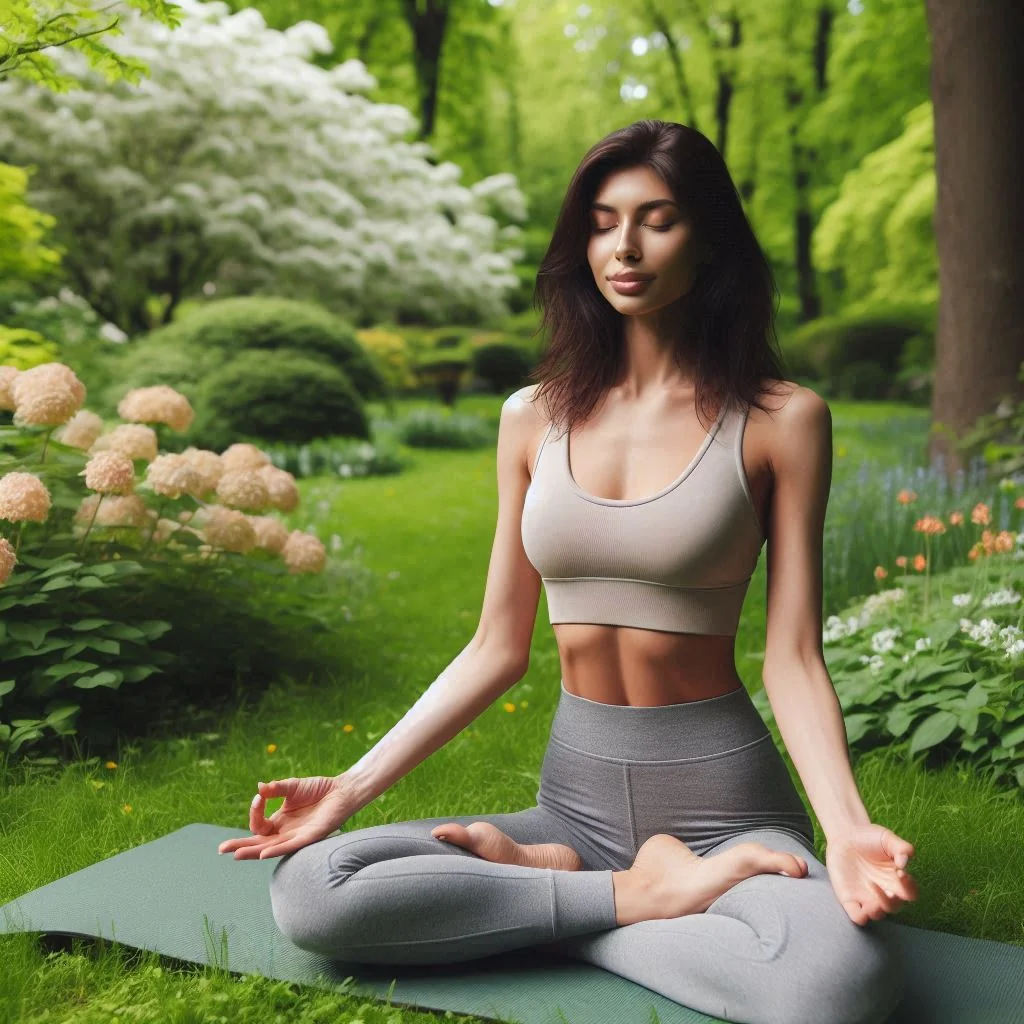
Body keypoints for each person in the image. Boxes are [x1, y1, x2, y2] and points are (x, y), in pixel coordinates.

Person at [217, 119, 919, 1024]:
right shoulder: (532, 418)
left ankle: (557, 902)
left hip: (725, 809)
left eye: (656, 220)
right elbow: (495, 647)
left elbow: (791, 659)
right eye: (600, 220)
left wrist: (848, 826)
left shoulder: (783, 419)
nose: (622, 247)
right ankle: (639, 894)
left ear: (708, 237)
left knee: (833, 989)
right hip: (573, 805)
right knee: (316, 888)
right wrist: (350, 788)